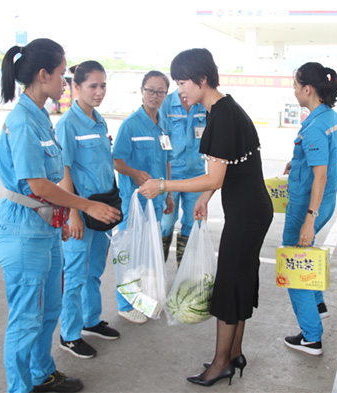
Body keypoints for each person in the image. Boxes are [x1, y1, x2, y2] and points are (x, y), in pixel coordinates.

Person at [139, 48, 273, 387]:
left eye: (183, 82)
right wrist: (206, 197)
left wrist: (164, 184)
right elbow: (225, 171)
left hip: (246, 215)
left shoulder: (221, 116)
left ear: (201, 80)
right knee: (240, 279)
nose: (179, 90)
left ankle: (220, 364)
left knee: (229, 285)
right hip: (252, 210)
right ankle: (235, 352)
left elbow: (214, 176)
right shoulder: (224, 110)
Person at [0, 39, 120, 393]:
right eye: (63, 75)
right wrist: (84, 207)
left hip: (44, 230)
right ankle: (20, 388)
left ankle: (42, 374)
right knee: (25, 319)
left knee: (48, 310)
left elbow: (51, 180)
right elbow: (38, 185)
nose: (66, 82)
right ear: (42, 75)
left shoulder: (40, 118)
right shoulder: (22, 123)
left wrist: (62, 218)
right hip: (22, 234)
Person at [55, 61, 120, 360]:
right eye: (93, 86)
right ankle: (69, 335)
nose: (99, 91)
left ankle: (91, 320)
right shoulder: (68, 124)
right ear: (75, 87)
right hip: (81, 211)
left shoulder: (99, 120)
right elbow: (63, 172)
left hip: (102, 208)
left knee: (94, 270)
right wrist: (73, 213)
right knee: (75, 274)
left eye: (103, 85)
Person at [281, 62, 337, 356]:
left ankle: (311, 337)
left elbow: (319, 174)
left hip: (308, 206)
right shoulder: (331, 118)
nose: (294, 91)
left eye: (295, 86)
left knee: (295, 267)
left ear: (308, 89)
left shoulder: (316, 127)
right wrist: (297, 162)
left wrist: (309, 219)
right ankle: (318, 305)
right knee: (305, 253)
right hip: (325, 201)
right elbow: (324, 162)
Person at [112, 70, 175, 324]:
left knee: (148, 254)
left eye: (160, 92)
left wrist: (168, 194)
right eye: (150, 90)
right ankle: (124, 305)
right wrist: (134, 172)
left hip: (157, 203)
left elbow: (167, 160)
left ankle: (142, 298)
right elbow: (117, 160)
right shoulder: (130, 125)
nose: (155, 96)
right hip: (135, 203)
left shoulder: (164, 124)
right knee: (130, 255)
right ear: (141, 91)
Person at [159, 90, 207, 266]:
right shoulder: (167, 103)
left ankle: (184, 275)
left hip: (197, 174)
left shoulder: (202, 104)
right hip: (171, 173)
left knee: (193, 223)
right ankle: (157, 271)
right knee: (166, 222)